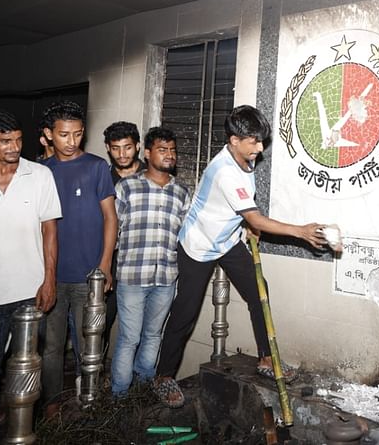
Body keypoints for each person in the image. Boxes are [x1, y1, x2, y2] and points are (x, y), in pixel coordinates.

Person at [152, 105, 329, 408]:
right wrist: (300, 231)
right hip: (198, 245)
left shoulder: (245, 158)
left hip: (227, 241)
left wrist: (245, 223)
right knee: (186, 311)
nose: (260, 148)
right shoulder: (224, 171)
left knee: (259, 291)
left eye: (261, 140)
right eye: (253, 141)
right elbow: (257, 218)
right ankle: (163, 377)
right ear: (234, 140)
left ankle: (265, 358)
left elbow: (246, 214)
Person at [0, 111, 60, 442]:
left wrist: (49, 279)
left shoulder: (39, 175)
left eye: (19, 140)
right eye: (5, 141)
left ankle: (22, 423)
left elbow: (50, 230)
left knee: (25, 363)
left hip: (29, 291)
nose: (14, 147)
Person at [40, 100, 117, 417]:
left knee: (90, 345)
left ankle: (89, 401)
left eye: (77, 134)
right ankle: (52, 403)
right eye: (63, 135)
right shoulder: (40, 172)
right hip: (52, 278)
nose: (71, 141)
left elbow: (111, 218)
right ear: (48, 134)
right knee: (51, 347)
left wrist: (104, 265)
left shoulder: (97, 167)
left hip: (89, 276)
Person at [111, 126, 190, 397]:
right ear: (147, 153)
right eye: (162, 149)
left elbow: (185, 235)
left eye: (172, 150)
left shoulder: (181, 191)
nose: (169, 155)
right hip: (132, 277)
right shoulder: (127, 187)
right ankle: (118, 398)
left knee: (153, 337)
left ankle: (142, 393)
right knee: (129, 339)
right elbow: (112, 231)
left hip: (166, 278)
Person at [102, 121, 145, 357]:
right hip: (110, 259)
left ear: (137, 146)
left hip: (142, 263)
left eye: (127, 147)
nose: (122, 154)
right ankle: (95, 379)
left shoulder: (152, 176)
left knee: (141, 328)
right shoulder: (102, 178)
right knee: (102, 322)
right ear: (108, 148)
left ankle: (139, 385)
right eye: (116, 148)